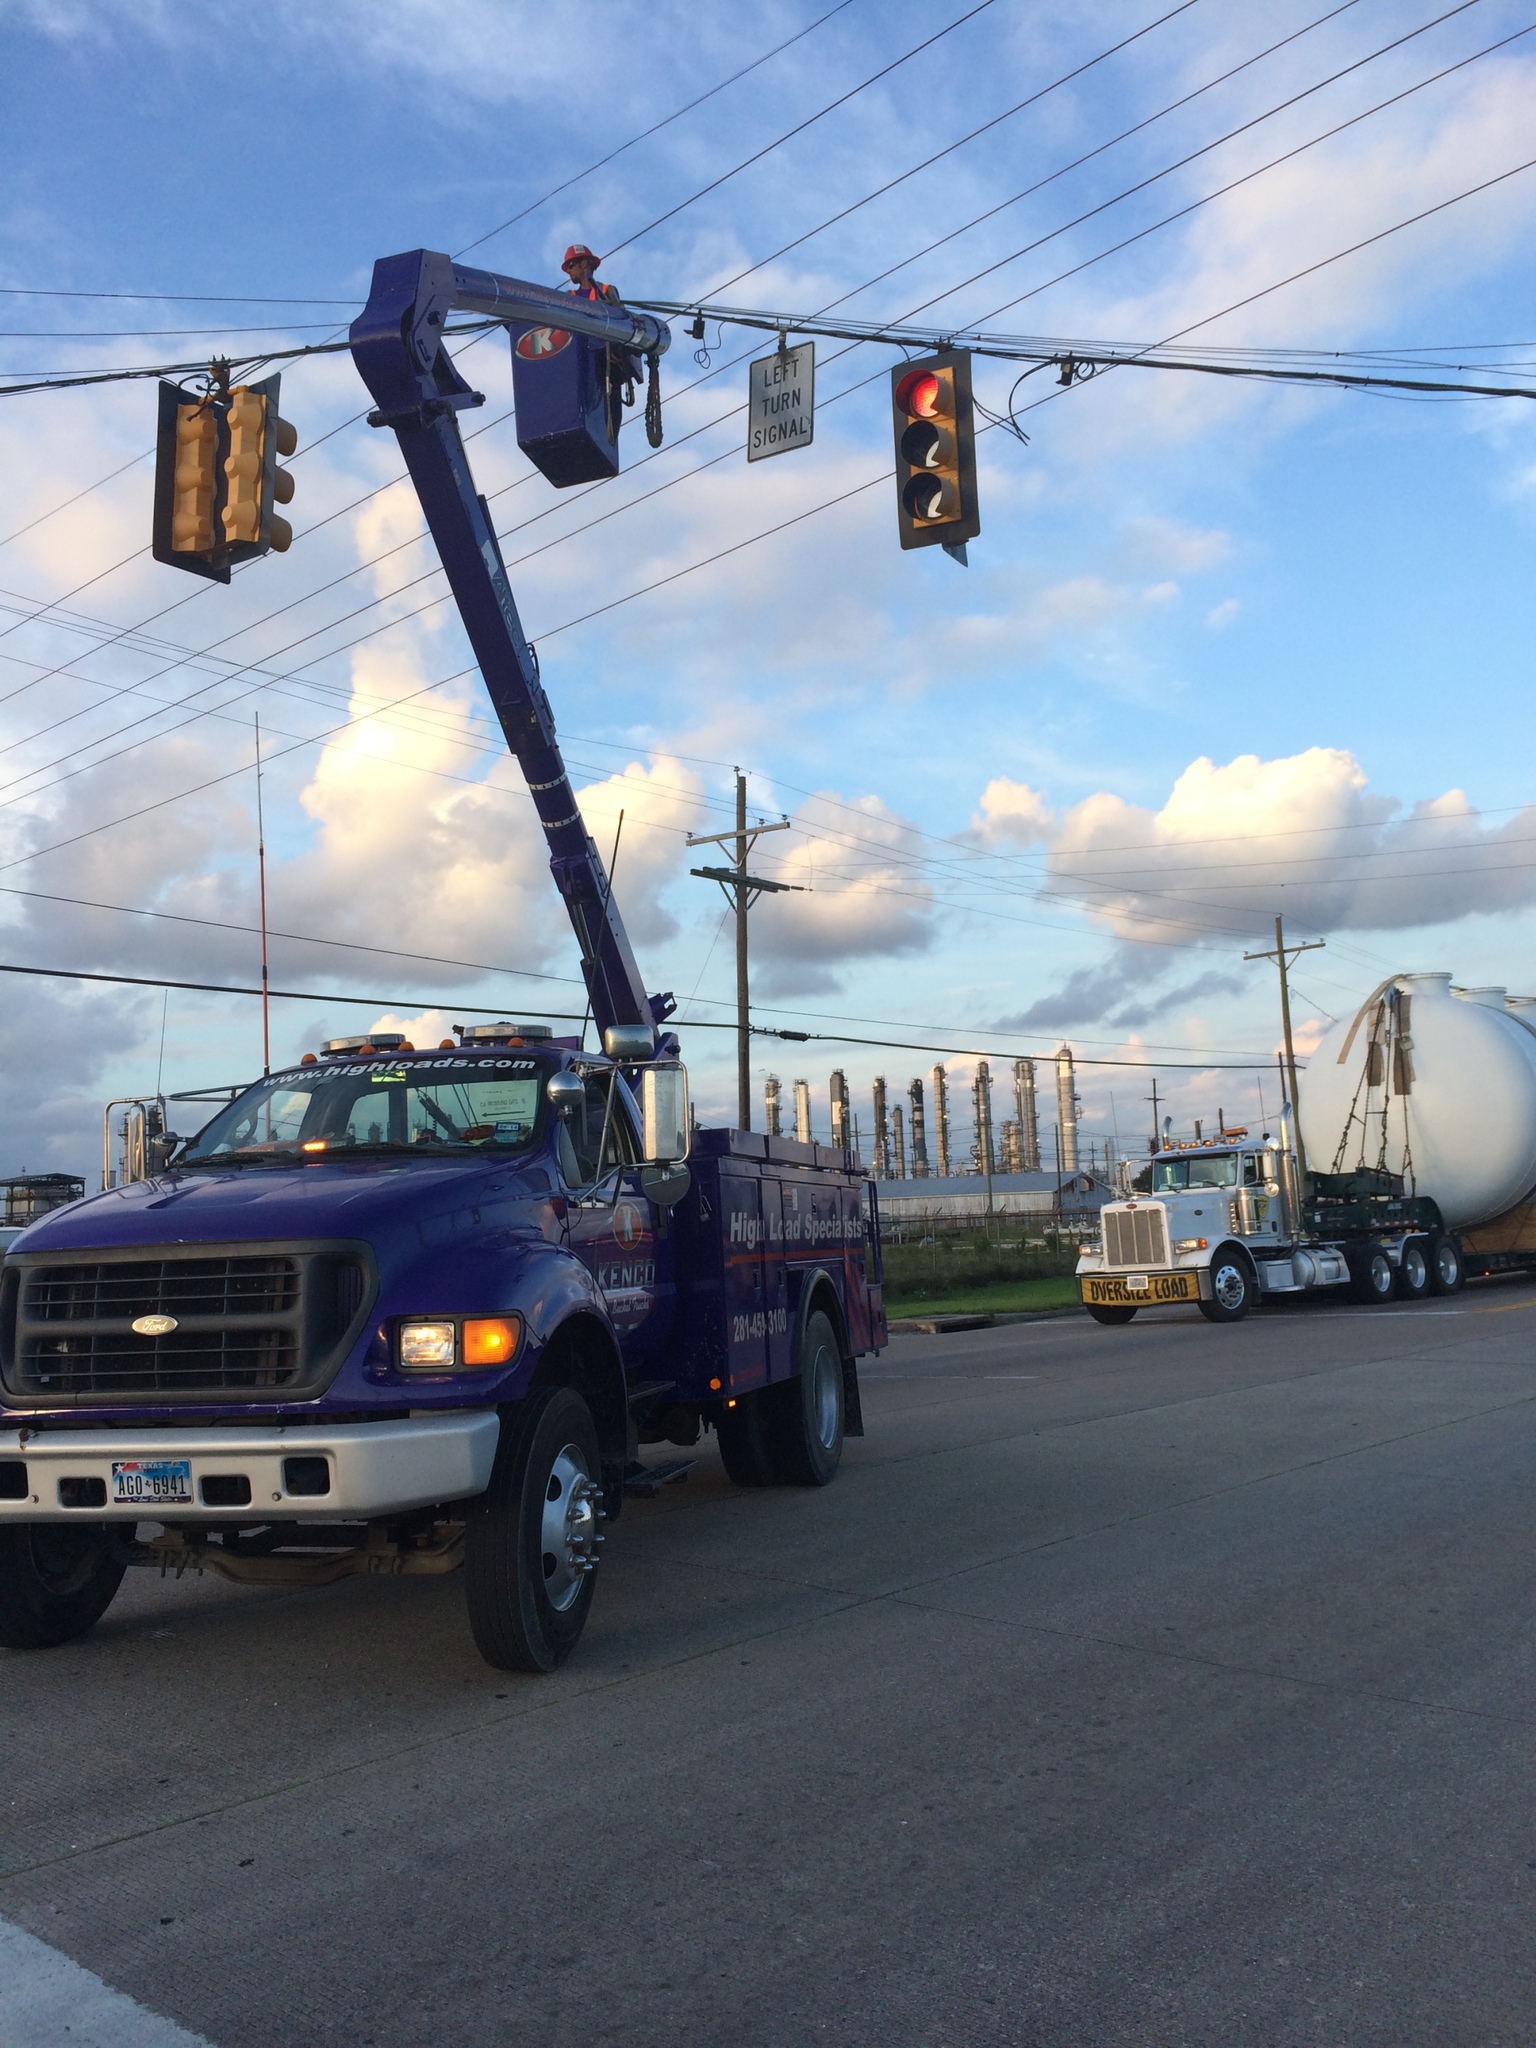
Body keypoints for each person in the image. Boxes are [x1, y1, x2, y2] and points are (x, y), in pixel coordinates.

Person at [561, 243, 638, 441]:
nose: (569, 271)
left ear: (584, 264)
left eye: (571, 265)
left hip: (607, 356)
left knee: (611, 400)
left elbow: (620, 318)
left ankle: (610, 439)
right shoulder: (570, 297)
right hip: (582, 357)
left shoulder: (606, 290)